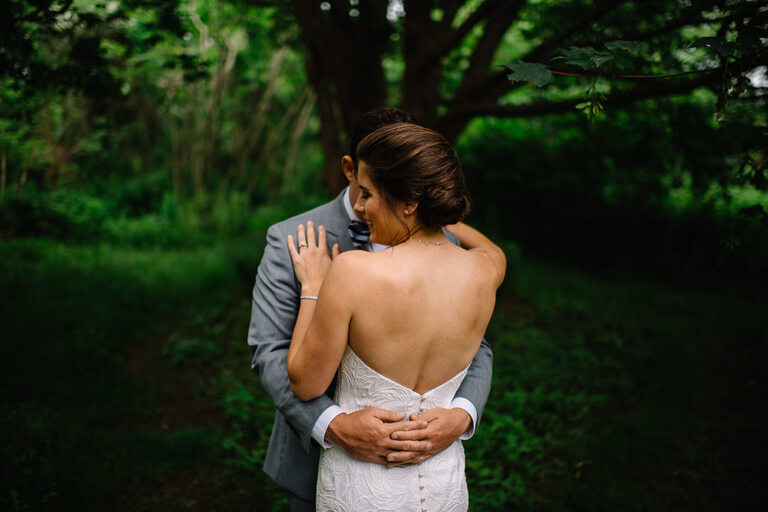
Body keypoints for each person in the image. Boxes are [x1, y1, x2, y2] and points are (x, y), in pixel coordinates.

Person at [247, 109, 494, 511]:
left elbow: (477, 345)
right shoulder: (290, 238)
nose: (364, 205)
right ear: (350, 167)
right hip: (322, 464)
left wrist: (463, 414)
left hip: (430, 465)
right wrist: (334, 426)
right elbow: (270, 350)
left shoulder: (446, 240)